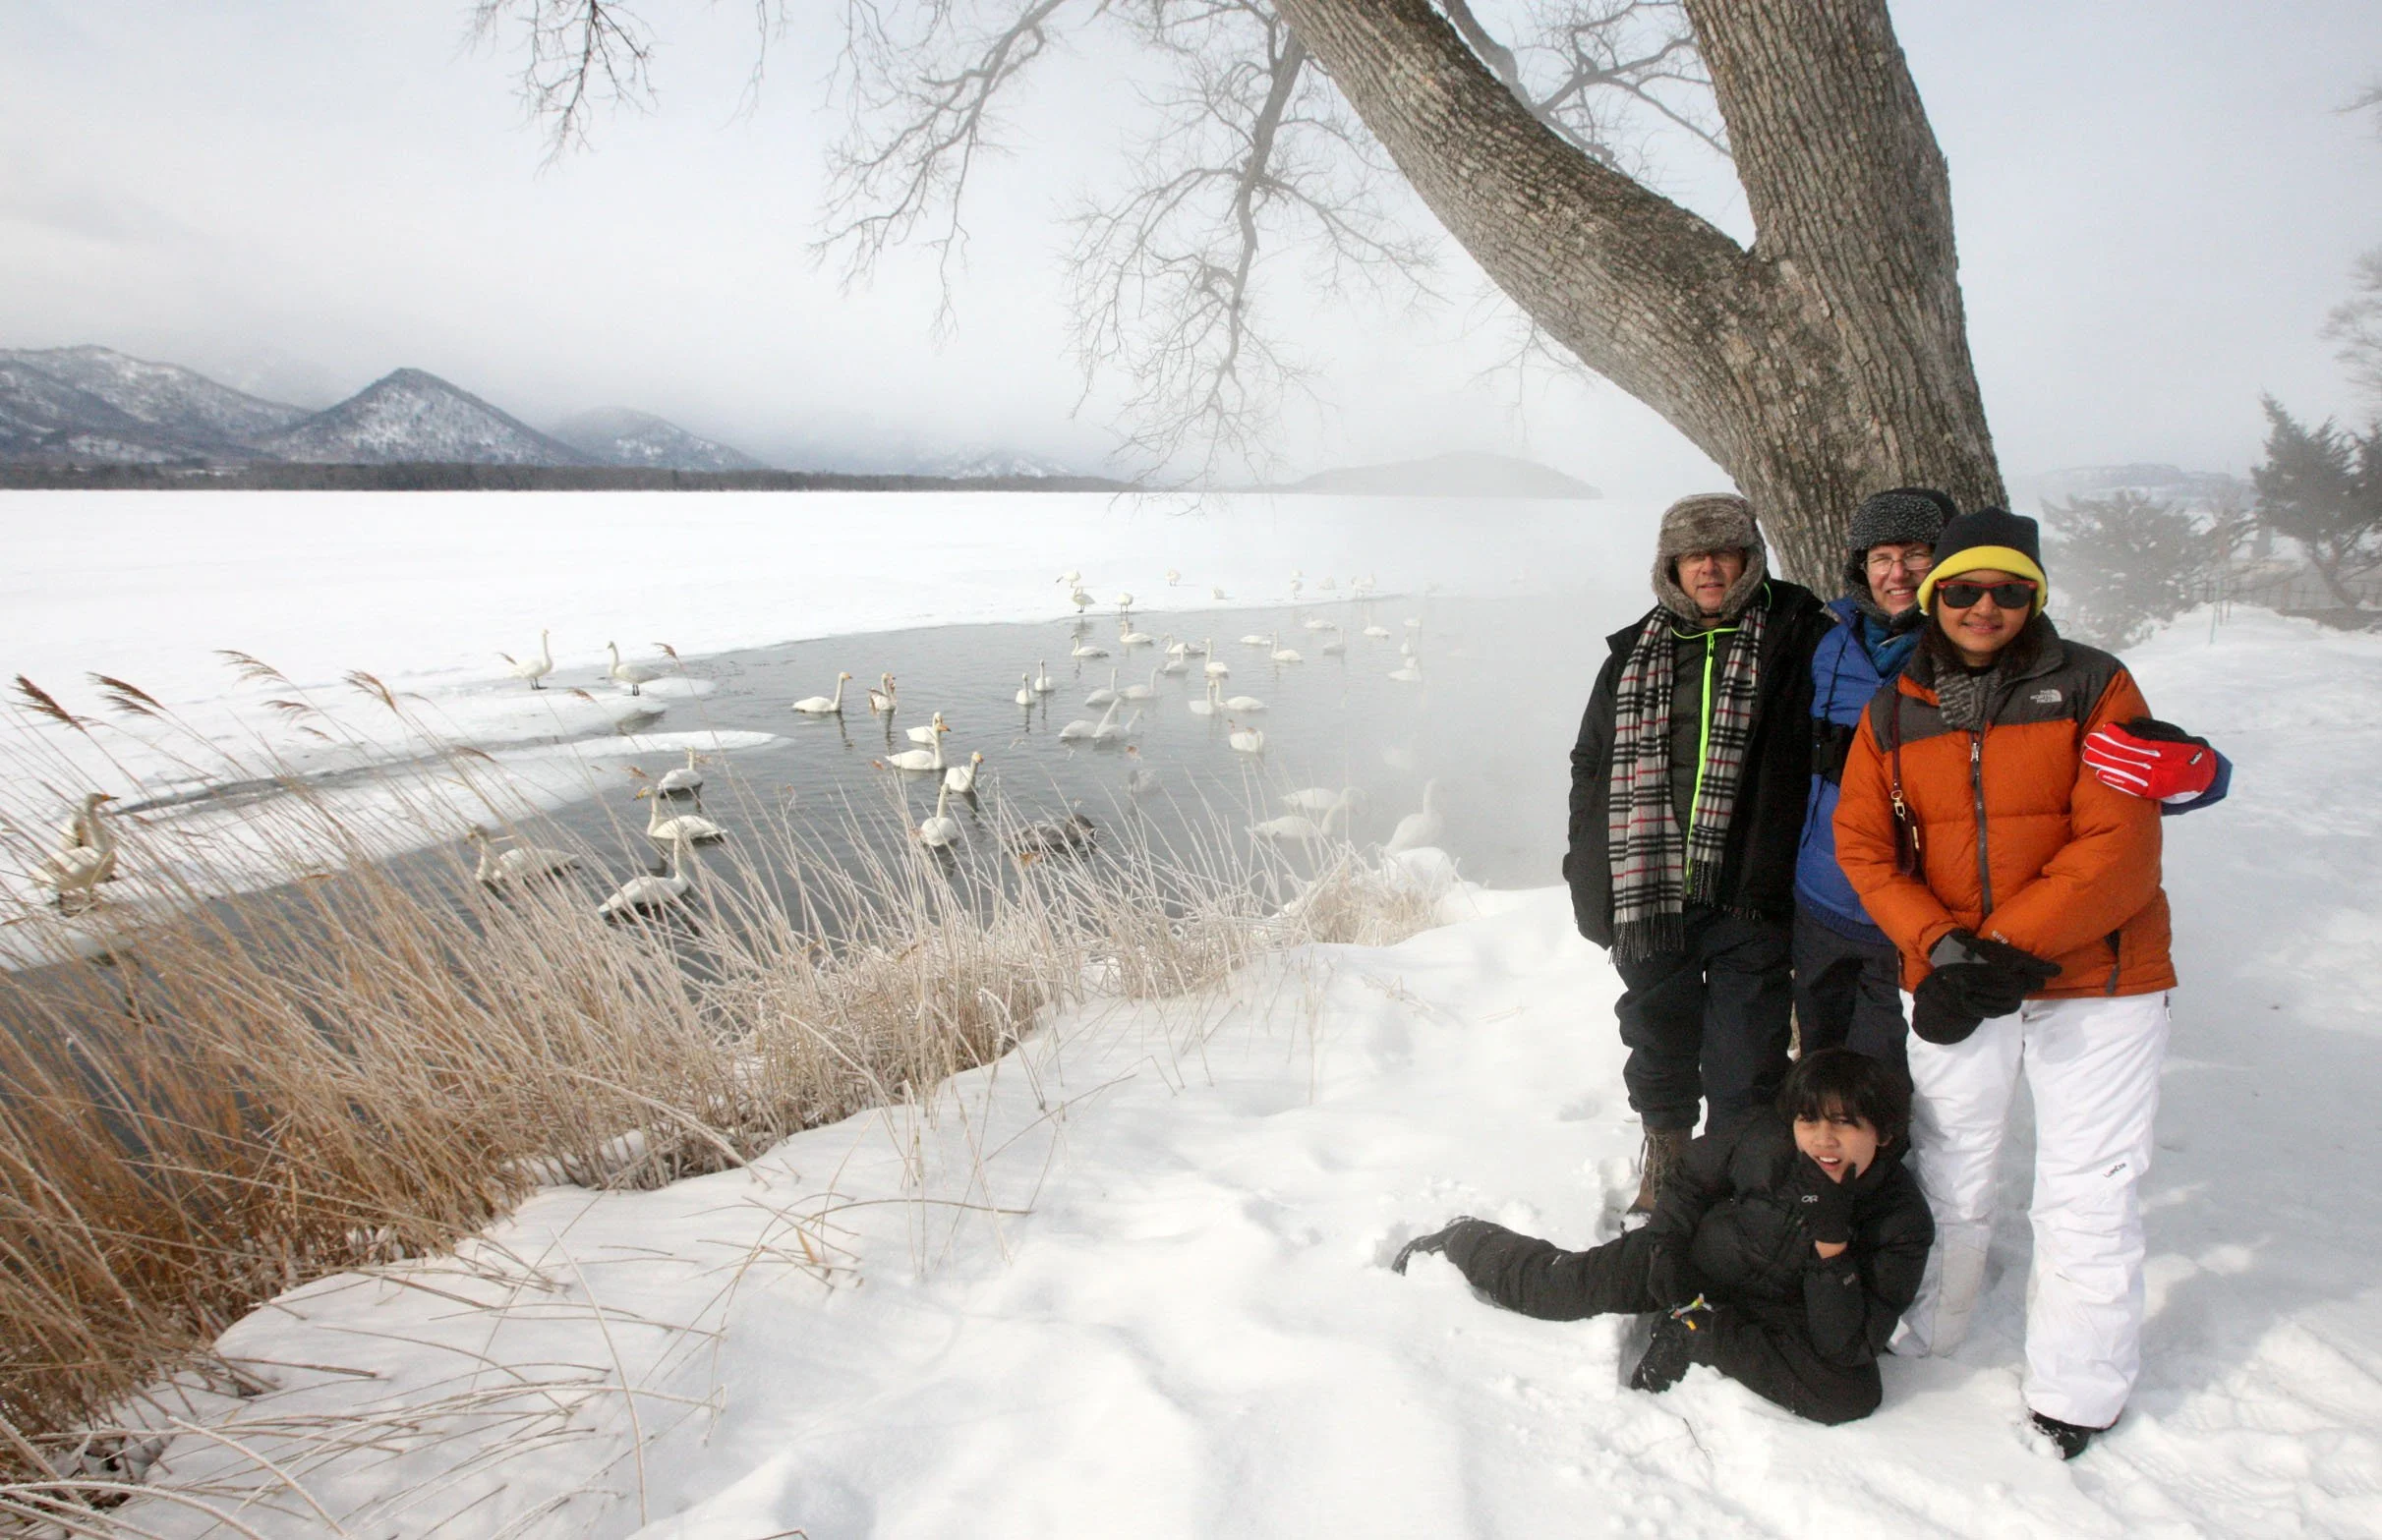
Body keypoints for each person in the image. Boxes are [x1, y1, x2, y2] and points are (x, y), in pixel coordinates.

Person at [1832, 507, 2180, 1459]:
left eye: (2007, 590)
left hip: (2100, 979)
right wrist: (1942, 948)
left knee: (2088, 1186)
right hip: (1951, 977)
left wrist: (1993, 949)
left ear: (2033, 597)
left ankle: (2077, 1387)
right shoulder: (1893, 708)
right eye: (1961, 588)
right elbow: (1863, 846)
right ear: (1932, 595)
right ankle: (1928, 1330)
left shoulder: (2094, 685)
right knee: (1950, 1165)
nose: (1982, 606)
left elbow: (2119, 843)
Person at [1797, 491, 2233, 1081]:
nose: (1897, 573)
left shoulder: (2038, 665)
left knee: (1888, 1087)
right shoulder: (1829, 644)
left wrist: (2200, 776)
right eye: (1881, 557)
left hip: (1938, 929)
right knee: (1827, 1074)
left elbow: (2096, 804)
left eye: (1915, 555)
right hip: (1833, 900)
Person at [1393, 1049, 1933, 1426]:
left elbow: (1848, 1345)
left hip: (1782, 1313)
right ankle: (1465, 1239)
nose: (1822, 1140)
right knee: (1554, 1290)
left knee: (1850, 1394)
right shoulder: (1762, 1138)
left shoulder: (1901, 1221)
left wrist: (1832, 1245)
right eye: (1809, 1122)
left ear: (1883, 1133)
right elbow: (1692, 1178)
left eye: (1843, 1124)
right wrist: (1667, 1246)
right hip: (1699, 1261)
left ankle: (1700, 1334)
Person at [1565, 494, 1830, 1211]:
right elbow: (1590, 762)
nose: (1708, 567)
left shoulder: (1797, 637)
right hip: (1650, 888)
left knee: (1747, 1049)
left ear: (1748, 558)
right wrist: (1584, 861)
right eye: (1692, 555)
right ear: (1670, 566)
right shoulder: (1634, 651)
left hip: (1752, 889)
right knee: (1657, 1034)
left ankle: (1736, 1172)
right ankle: (1669, 1160)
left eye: (1723, 552)